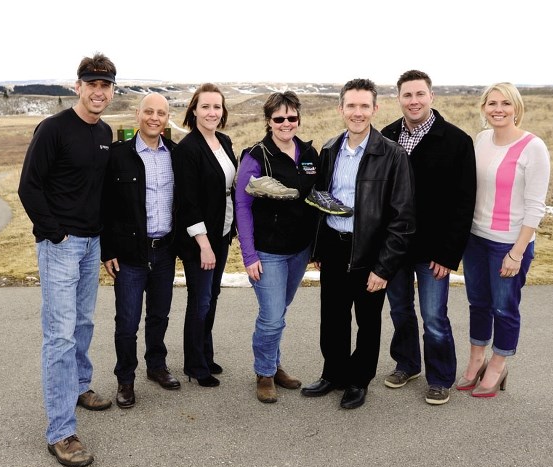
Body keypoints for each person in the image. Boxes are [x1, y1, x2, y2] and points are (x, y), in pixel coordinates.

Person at [17, 52, 116, 467]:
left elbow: (103, 193)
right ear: (77, 87)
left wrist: (105, 244)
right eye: (91, 84)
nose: (98, 91)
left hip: (92, 244)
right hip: (61, 245)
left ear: (112, 90)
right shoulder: (54, 129)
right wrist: (56, 232)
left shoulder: (106, 132)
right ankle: (61, 431)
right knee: (59, 336)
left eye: (105, 85)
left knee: (83, 323)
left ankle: (79, 385)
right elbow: (29, 187)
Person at [301, 78, 415, 409]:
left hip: (370, 251)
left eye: (364, 106)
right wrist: (319, 248)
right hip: (335, 248)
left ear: (375, 109)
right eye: (351, 105)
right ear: (341, 109)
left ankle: (358, 380)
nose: (357, 112)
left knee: (367, 322)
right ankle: (333, 373)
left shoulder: (392, 155)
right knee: (333, 317)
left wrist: (384, 266)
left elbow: (403, 218)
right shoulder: (330, 148)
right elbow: (321, 200)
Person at [380, 70, 477, 406]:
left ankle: (439, 377)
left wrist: (449, 254)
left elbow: (464, 203)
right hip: (395, 247)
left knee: (434, 317)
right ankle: (407, 364)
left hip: (434, 250)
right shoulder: (387, 135)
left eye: (420, 94)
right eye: (407, 95)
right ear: (399, 99)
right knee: (400, 311)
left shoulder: (456, 141)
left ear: (431, 97)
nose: (414, 101)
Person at [458, 82, 550, 398]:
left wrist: (517, 252)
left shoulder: (532, 147)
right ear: (484, 107)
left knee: (504, 308)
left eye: (506, 104)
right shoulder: (482, 139)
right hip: (475, 239)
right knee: (478, 304)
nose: (499, 109)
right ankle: (475, 360)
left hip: (508, 244)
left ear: (516, 107)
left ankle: (498, 364)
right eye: (492, 103)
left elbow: (536, 205)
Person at [235, 91, 318, 403]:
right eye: (279, 118)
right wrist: (249, 255)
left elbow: (317, 200)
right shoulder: (256, 156)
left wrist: (316, 249)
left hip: (300, 250)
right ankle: (264, 373)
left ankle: (274, 363)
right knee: (271, 317)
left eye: (292, 118)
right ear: (268, 121)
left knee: (279, 312)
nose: (286, 123)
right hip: (267, 251)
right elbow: (242, 207)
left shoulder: (309, 153)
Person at [101, 93, 180, 409]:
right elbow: (104, 206)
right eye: (149, 111)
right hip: (131, 254)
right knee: (127, 322)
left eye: (161, 113)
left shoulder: (174, 154)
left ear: (166, 118)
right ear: (138, 115)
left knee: (159, 314)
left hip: (164, 251)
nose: (155, 118)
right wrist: (108, 250)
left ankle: (156, 366)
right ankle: (125, 379)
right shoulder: (118, 156)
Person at [173, 83, 237, 388]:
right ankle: (195, 365)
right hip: (200, 239)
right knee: (199, 299)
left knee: (212, 297)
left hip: (222, 230)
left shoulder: (223, 141)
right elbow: (188, 202)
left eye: (217, 107)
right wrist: (204, 245)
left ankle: (206, 355)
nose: (212, 112)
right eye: (206, 106)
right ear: (194, 110)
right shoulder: (187, 149)